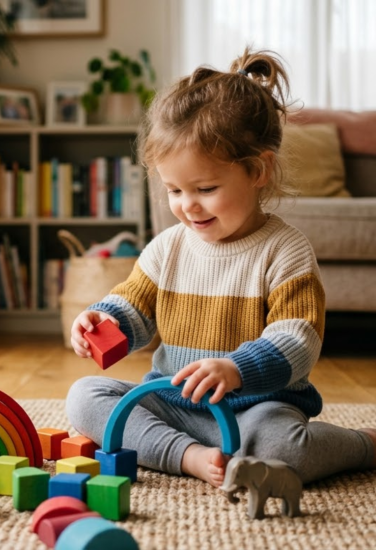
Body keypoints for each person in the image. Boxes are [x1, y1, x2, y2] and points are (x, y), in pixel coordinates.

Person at [66, 48, 376, 487]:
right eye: (174, 189)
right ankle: (188, 456)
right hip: (172, 401)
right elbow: (134, 306)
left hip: (255, 408)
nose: (187, 205)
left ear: (258, 170)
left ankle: (363, 444)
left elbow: (298, 339)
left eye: (206, 188)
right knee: (85, 397)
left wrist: (236, 369)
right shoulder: (167, 247)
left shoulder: (285, 251)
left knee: (284, 450)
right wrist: (103, 319)